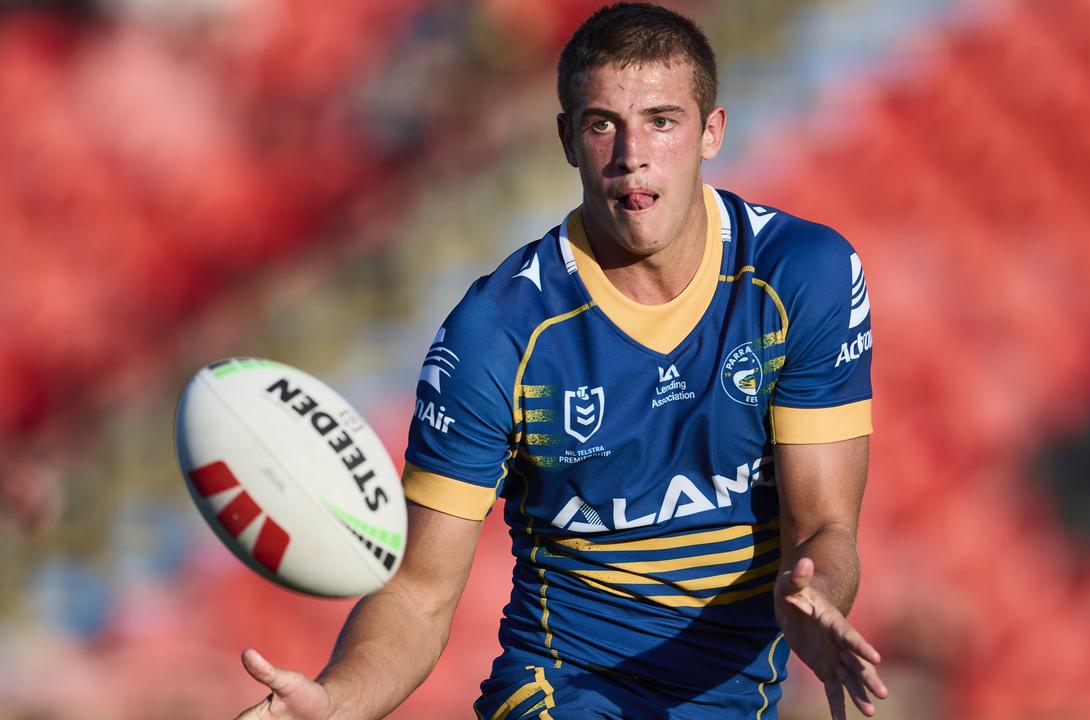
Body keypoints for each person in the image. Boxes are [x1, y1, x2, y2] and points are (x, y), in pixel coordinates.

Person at [234, 3, 887, 718]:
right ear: (568, 140)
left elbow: (824, 526)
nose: (632, 153)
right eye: (603, 123)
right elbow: (419, 592)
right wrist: (334, 702)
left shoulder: (801, 275)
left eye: (663, 121)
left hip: (733, 701)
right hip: (561, 691)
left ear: (712, 132)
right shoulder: (498, 334)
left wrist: (815, 597)